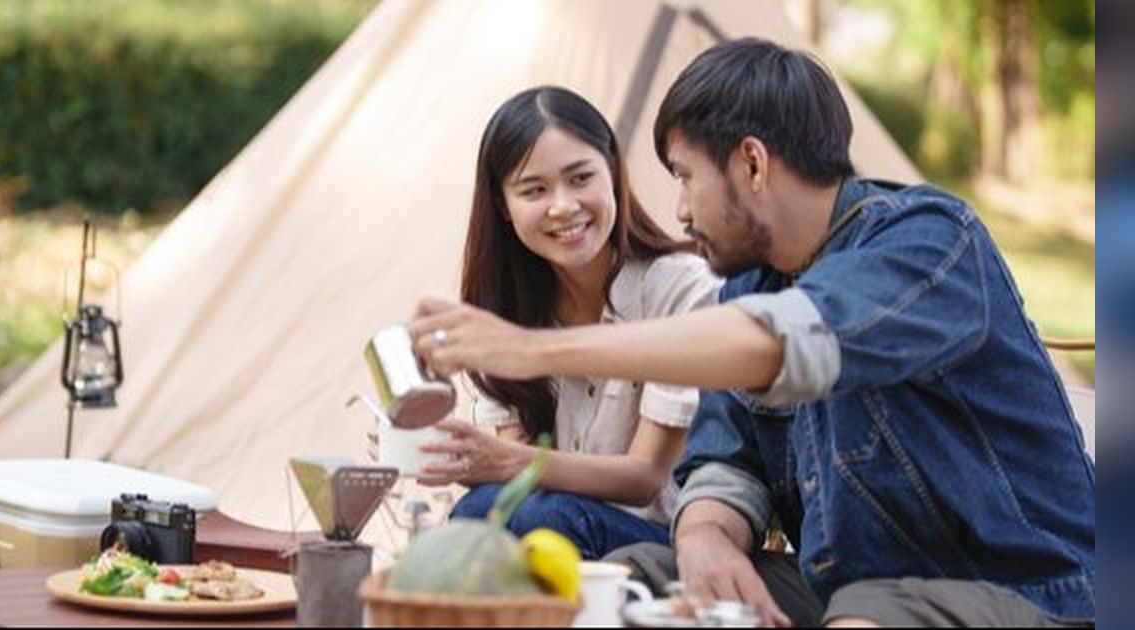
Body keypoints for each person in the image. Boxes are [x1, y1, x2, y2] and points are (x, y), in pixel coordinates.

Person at [408, 39, 1094, 627]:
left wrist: (528, 349)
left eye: (685, 178)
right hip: (837, 588)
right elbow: (725, 460)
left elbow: (785, 342)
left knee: (874, 616)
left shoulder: (928, 243)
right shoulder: (753, 285)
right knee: (632, 577)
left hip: (1031, 590)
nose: (678, 210)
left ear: (753, 164)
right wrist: (707, 536)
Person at [396, 86, 722, 560]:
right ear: (503, 207)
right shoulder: (499, 309)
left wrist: (500, 460)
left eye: (580, 178)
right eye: (534, 190)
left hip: (660, 547)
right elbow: (516, 476)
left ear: (612, 171)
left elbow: (646, 477)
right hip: (552, 529)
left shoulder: (682, 289)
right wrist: (452, 453)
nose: (563, 205)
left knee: (522, 517)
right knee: (492, 511)